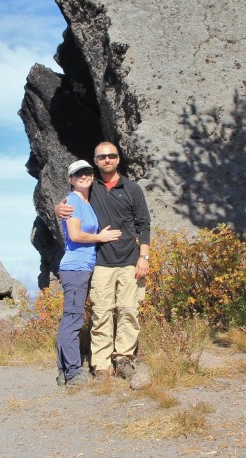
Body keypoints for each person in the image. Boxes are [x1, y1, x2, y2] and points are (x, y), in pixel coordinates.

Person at [56, 142, 151, 380]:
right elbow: (72, 200)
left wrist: (144, 257)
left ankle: (124, 360)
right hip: (101, 263)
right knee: (101, 314)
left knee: (129, 311)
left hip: (130, 261)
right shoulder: (91, 186)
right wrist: (59, 207)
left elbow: (144, 225)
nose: (107, 160)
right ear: (96, 161)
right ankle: (100, 365)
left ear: (118, 159)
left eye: (111, 156)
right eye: (101, 157)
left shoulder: (132, 189)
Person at [56, 159, 121, 386]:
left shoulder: (85, 201)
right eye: (78, 174)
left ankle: (64, 371)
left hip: (82, 267)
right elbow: (74, 235)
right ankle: (72, 371)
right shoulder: (73, 201)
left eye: (87, 172)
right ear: (70, 180)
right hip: (75, 268)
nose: (84, 176)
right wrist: (99, 237)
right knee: (73, 319)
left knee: (71, 318)